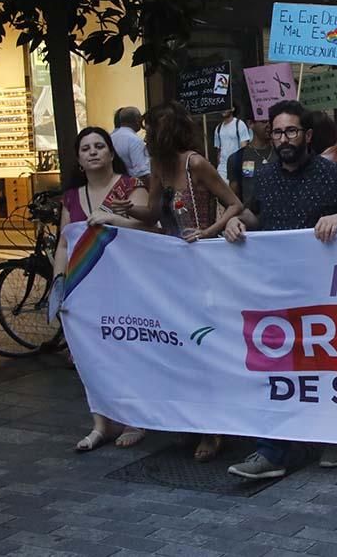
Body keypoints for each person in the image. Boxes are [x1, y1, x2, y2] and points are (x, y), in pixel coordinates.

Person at [224, 100, 337, 479]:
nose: (284, 138)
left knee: (326, 366)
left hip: (325, 292)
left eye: (291, 131)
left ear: (307, 135)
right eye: (277, 132)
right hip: (277, 290)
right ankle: (271, 453)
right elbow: (256, 214)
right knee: (280, 368)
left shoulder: (331, 174)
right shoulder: (267, 176)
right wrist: (238, 224)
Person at [115, 101, 243, 463]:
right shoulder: (158, 166)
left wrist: (209, 232)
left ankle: (213, 428)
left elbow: (233, 203)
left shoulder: (195, 163)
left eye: (150, 130)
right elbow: (154, 212)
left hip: (202, 265)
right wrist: (128, 211)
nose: (145, 136)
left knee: (204, 346)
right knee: (179, 347)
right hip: (171, 267)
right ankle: (190, 418)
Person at [54, 127, 151, 452]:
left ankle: (133, 418)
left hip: (127, 284)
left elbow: (147, 225)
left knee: (127, 350)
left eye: (99, 146)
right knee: (91, 354)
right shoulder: (72, 196)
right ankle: (100, 422)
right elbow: (65, 243)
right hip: (87, 285)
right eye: (86, 148)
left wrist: (113, 218)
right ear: (79, 159)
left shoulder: (130, 186)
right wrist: (59, 284)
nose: (93, 152)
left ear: (111, 153)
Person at [227, 116, 273, 207]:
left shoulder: (283, 155)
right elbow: (233, 198)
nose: (269, 125)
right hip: (250, 217)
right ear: (250, 123)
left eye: (271, 121)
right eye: (264, 121)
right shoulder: (237, 158)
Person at [110, 106, 150, 178]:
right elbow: (142, 172)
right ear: (137, 120)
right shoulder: (134, 140)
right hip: (133, 184)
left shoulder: (111, 137)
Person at [213, 107, 251, 183]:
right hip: (222, 169)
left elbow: (245, 149)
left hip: (237, 167)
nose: (223, 109)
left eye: (226, 107)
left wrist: (247, 172)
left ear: (233, 108)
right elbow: (219, 151)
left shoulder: (239, 124)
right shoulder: (218, 128)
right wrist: (218, 167)